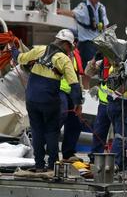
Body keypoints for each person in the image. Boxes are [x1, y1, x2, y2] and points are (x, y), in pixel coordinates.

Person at [13, 29, 82, 172]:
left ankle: (39, 165)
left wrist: (12, 49)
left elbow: (20, 58)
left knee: (37, 131)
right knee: (51, 131)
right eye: (70, 47)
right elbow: (74, 84)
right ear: (65, 44)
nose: (70, 51)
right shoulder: (64, 60)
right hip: (49, 100)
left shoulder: (39, 50)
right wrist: (78, 104)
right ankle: (52, 166)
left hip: (32, 98)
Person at [58, 0, 109, 67]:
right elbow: (73, 13)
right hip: (87, 43)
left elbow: (105, 25)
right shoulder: (83, 7)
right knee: (87, 69)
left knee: (99, 68)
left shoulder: (101, 7)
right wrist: (61, 11)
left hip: (99, 44)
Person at [59, 39, 84, 162]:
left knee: (76, 123)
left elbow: (77, 77)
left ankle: (68, 154)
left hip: (72, 93)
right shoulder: (57, 55)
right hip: (59, 91)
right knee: (59, 118)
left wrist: (79, 98)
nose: (74, 45)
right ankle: (48, 152)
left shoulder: (75, 56)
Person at [84, 54, 111, 163]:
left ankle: (116, 160)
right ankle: (95, 157)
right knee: (99, 132)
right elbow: (88, 72)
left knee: (116, 135)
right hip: (104, 104)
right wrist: (95, 58)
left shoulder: (121, 64)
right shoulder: (103, 63)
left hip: (118, 104)